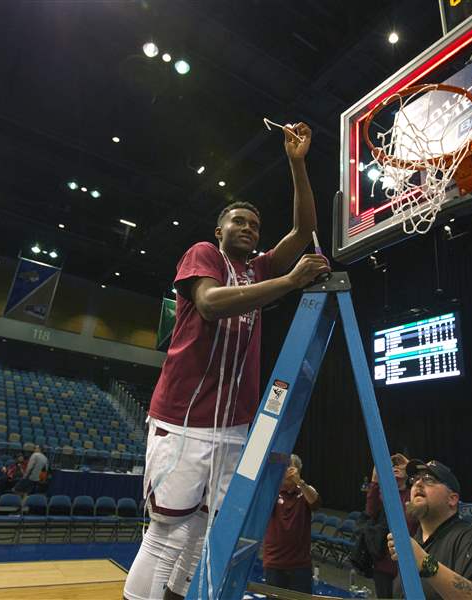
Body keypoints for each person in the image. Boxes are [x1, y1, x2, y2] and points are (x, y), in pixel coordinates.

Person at [124, 121, 330, 600]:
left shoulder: (257, 268)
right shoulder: (203, 255)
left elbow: (304, 230)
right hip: (184, 420)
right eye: (239, 222)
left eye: (255, 226)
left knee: (203, 534)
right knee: (166, 535)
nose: (249, 229)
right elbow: (213, 304)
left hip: (234, 426)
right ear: (220, 231)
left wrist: (297, 164)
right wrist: (289, 283)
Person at [387, 459, 472, 599]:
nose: (418, 483)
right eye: (414, 480)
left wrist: (425, 563)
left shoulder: (470, 541)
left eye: (429, 479)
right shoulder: (414, 540)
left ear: (452, 499)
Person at [261, 454, 321, 593]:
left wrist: (300, 482)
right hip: (274, 562)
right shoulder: (271, 490)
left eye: (292, 468)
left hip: (300, 564)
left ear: (299, 470)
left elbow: (316, 502)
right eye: (285, 468)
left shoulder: (305, 490)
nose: (289, 472)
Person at [365, 453, 418, 599]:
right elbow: (370, 511)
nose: (395, 467)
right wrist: (376, 476)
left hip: (407, 563)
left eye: (400, 465)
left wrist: (410, 466)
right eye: (392, 465)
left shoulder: (413, 495)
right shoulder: (381, 493)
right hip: (383, 562)